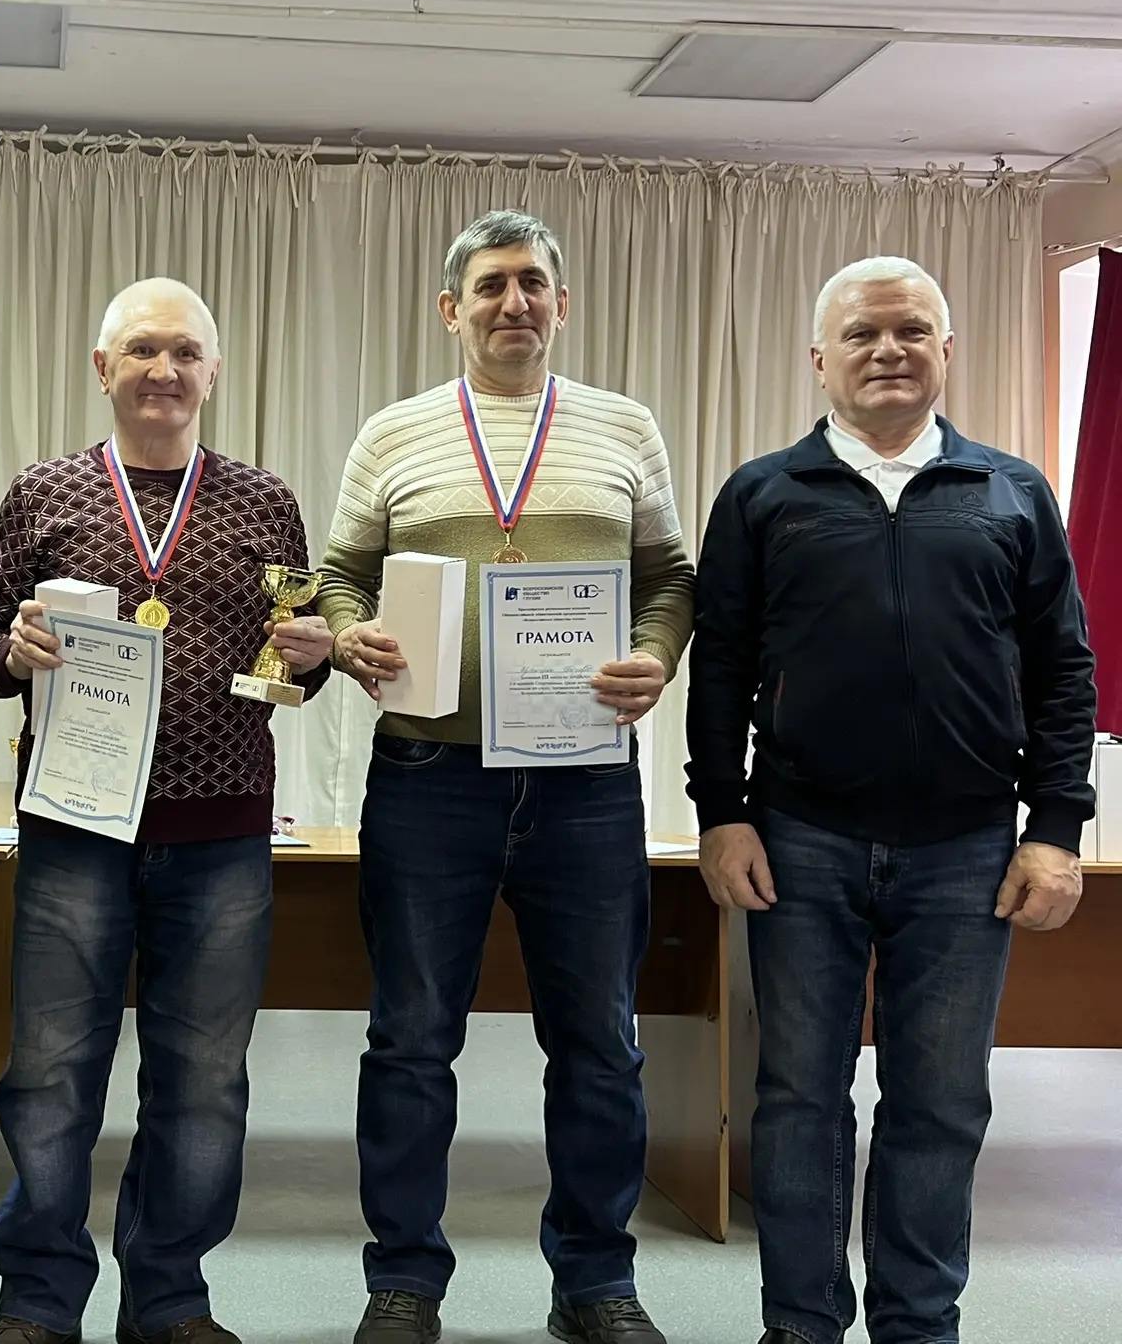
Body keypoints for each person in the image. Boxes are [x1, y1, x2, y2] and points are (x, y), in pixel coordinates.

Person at [684, 256, 1094, 1344]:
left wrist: (1055, 829)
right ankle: (801, 1324)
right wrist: (720, 813)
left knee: (941, 1103)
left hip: (967, 850)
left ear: (945, 351)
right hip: (800, 842)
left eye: (911, 330)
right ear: (820, 359)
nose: (888, 350)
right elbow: (719, 666)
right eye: (862, 334)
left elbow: (1065, 669)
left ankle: (919, 1325)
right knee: (798, 1099)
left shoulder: (1012, 492)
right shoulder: (764, 494)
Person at [315, 211, 693, 1344]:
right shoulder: (395, 434)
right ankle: (404, 1282)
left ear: (562, 305)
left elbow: (671, 576)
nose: (513, 302)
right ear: (452, 309)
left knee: (600, 1043)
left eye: (533, 283)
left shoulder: (625, 427)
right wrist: (352, 634)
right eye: (490, 285)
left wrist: (657, 654)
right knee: (411, 1039)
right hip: (429, 777)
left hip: (585, 784)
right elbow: (341, 573)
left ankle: (596, 1283)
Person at [0, 278, 332, 1344]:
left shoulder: (265, 501)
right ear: (103, 368)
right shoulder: (41, 493)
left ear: (213, 371)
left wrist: (313, 656)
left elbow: (293, 667)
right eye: (140, 350)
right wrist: (12, 652)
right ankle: (39, 1303)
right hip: (74, 829)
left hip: (221, 834)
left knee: (204, 1083)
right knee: (48, 1076)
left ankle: (170, 1298)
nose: (162, 370)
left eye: (183, 352)